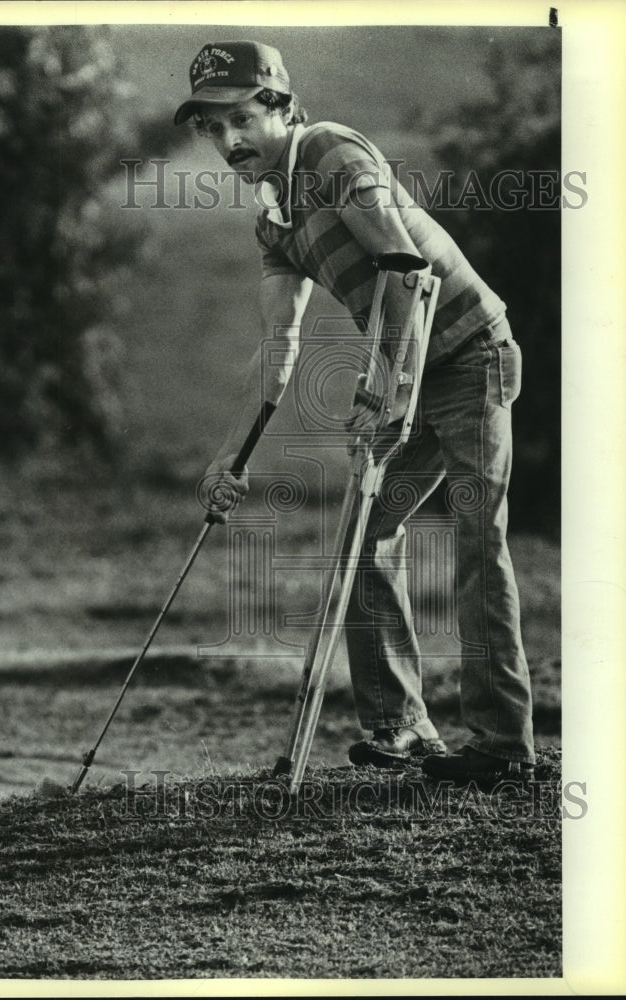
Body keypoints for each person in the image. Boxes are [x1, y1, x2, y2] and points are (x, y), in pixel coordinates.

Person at [173, 40, 535, 780]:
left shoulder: (331, 153)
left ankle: (504, 748)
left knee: (475, 538)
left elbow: (406, 267)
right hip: (412, 371)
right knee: (365, 542)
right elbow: (278, 347)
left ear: (281, 104)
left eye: (242, 118)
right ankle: (401, 728)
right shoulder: (274, 219)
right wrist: (227, 458)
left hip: (470, 355)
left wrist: (387, 388)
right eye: (212, 127)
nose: (228, 140)